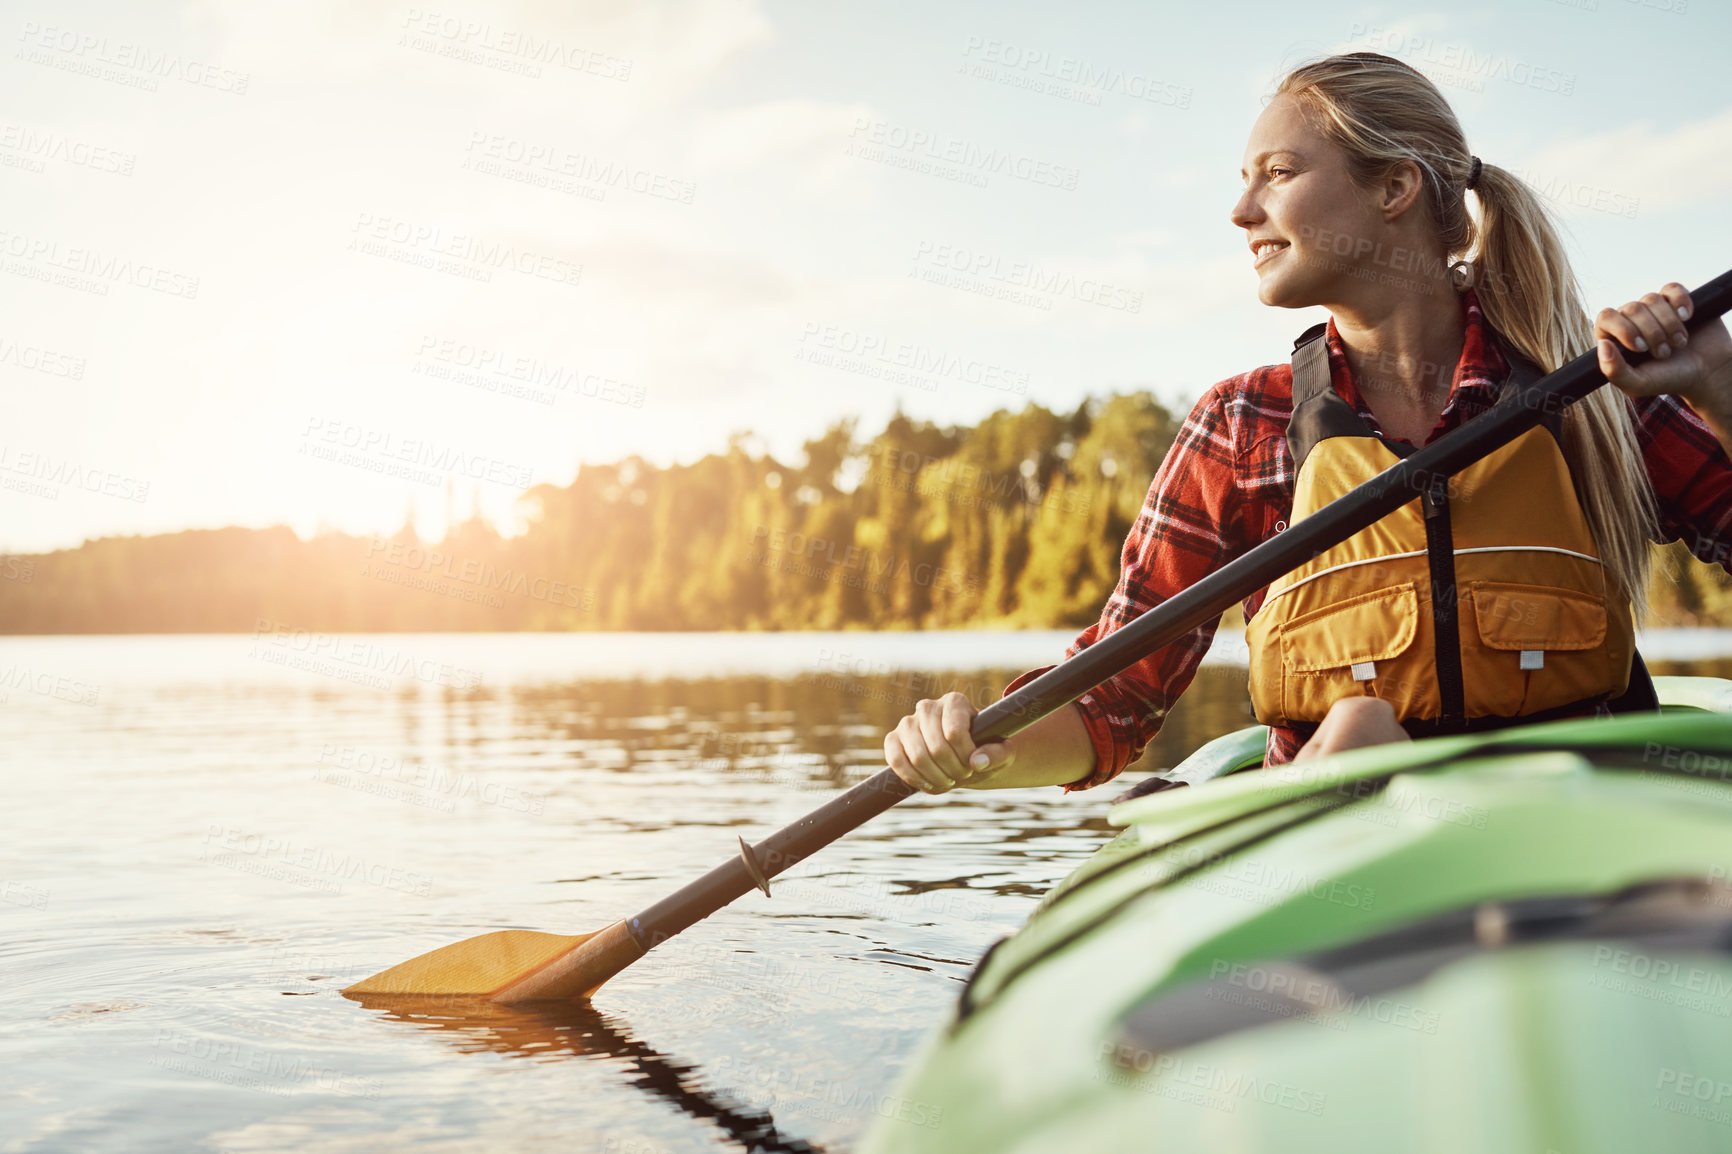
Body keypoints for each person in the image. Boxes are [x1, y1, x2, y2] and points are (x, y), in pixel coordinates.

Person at [884, 52, 1732, 797]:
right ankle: (1350, 765)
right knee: (1358, 726)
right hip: (1337, 857)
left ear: (1395, 187)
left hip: (1578, 826)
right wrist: (975, 750)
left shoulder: (1590, 392)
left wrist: (1721, 391)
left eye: (1277, 173)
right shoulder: (1241, 427)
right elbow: (1115, 701)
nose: (1240, 210)